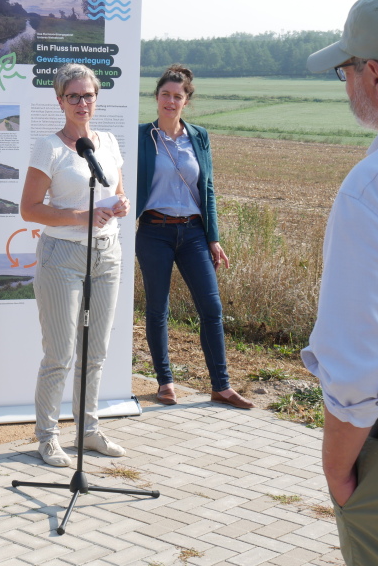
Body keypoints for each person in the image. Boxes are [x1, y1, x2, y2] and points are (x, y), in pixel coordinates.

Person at [301, 0, 378, 566]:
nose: (345, 83)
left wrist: (337, 473)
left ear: (375, 76)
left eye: (347, 69)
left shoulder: (377, 186)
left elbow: (360, 370)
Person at [20, 63, 131, 467]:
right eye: (74, 96)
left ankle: (88, 429)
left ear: (96, 98)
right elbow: (29, 209)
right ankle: (47, 437)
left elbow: (116, 190)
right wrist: (78, 217)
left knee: (96, 350)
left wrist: (121, 204)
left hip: (107, 254)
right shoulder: (48, 148)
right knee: (61, 354)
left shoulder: (109, 141)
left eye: (88, 95)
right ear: (59, 100)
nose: (82, 103)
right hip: (62, 258)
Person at [135, 65, 254, 409]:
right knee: (157, 309)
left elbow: (208, 189)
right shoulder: (143, 135)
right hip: (154, 231)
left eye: (178, 96)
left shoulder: (199, 136)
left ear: (186, 101)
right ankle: (165, 382)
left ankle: (221, 386)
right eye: (165, 95)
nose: (170, 101)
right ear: (156, 97)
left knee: (212, 308)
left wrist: (213, 237)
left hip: (193, 234)